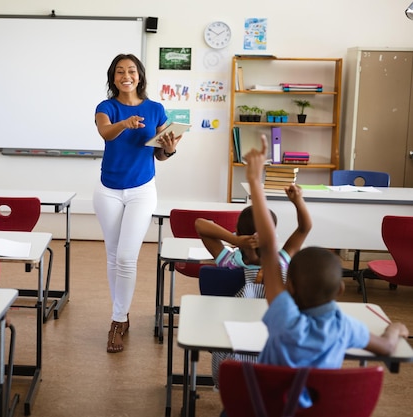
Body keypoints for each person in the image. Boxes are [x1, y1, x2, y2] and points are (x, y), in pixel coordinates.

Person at [243, 134, 409, 407]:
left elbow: (270, 246)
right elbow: (388, 348)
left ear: (290, 286)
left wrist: (254, 181)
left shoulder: (283, 317)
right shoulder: (345, 327)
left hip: (266, 411)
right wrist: (395, 328)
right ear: (341, 289)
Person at [93, 53, 182, 353]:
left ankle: (118, 320)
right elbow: (106, 132)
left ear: (140, 76)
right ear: (113, 77)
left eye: (131, 70)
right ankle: (122, 312)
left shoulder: (156, 109)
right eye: (119, 71)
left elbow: (159, 153)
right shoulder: (106, 108)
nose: (126, 75)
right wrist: (124, 123)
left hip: (142, 190)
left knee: (127, 257)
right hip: (108, 191)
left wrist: (169, 149)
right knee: (113, 255)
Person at [196, 170, 311, 388]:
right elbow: (305, 228)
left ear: (238, 231)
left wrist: (235, 240)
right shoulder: (281, 264)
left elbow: (200, 224)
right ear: (273, 236)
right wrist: (298, 201)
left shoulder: (228, 262)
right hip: (274, 355)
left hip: (230, 352)